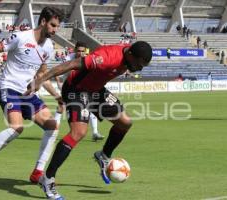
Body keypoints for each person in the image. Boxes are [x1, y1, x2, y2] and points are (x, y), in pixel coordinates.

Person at [26, 41, 153, 199]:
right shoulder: (106, 58)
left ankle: (104, 156)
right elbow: (71, 64)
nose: (139, 68)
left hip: (96, 90)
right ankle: (47, 178)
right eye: (139, 64)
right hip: (76, 90)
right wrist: (40, 80)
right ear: (130, 55)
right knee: (78, 133)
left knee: (125, 122)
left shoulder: (128, 56)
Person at [0, 7, 64, 187]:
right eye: (53, 25)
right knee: (17, 127)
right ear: (43, 21)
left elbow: (41, 76)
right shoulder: (20, 37)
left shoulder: (49, 47)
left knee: (52, 126)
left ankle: (38, 172)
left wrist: (57, 96)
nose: (55, 29)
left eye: (57, 26)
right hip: (9, 88)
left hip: (27, 93)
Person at [54, 41, 104, 141]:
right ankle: (53, 133)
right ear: (75, 49)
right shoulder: (68, 59)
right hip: (67, 86)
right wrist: (59, 85)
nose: (80, 53)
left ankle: (95, 132)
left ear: (85, 51)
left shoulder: (88, 58)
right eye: (78, 50)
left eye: (82, 51)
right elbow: (57, 71)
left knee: (89, 107)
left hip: (82, 87)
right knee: (61, 107)